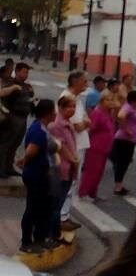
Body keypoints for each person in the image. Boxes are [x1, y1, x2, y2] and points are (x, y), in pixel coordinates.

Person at [19, 99, 57, 252]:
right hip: (35, 176)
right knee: (33, 208)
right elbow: (30, 151)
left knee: (43, 208)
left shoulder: (41, 128)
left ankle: (40, 239)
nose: (55, 113)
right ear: (48, 113)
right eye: (53, 111)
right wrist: (24, 160)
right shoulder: (38, 132)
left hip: (41, 176)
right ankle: (27, 242)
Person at [59, 70, 91, 231]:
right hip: (73, 146)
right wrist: (86, 122)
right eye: (84, 81)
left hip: (78, 144)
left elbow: (85, 119)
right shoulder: (68, 98)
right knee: (69, 182)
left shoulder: (77, 99)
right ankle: (62, 216)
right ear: (76, 81)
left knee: (73, 182)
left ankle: (65, 214)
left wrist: (85, 122)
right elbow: (79, 125)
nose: (87, 84)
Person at [48, 95, 80, 241]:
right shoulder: (56, 125)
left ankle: (54, 232)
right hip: (62, 168)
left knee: (59, 202)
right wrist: (72, 159)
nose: (72, 109)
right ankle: (53, 234)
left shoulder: (68, 123)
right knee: (56, 203)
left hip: (70, 167)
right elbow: (61, 146)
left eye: (74, 106)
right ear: (60, 108)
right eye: (69, 106)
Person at [79, 91, 117, 200]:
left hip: (105, 147)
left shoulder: (108, 113)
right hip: (96, 147)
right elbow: (91, 128)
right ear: (102, 101)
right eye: (108, 100)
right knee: (91, 171)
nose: (110, 102)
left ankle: (92, 192)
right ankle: (84, 192)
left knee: (99, 172)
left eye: (111, 100)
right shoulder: (97, 113)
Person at [0, 61, 34, 177]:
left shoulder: (26, 86)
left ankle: (9, 167)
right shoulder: (11, 84)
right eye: (24, 72)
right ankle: (1, 168)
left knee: (15, 144)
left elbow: (29, 100)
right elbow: (4, 99)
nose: (26, 74)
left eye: (27, 72)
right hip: (13, 117)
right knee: (6, 143)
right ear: (17, 72)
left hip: (23, 118)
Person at [110, 91, 136, 196]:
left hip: (130, 141)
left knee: (125, 162)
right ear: (135, 100)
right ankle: (118, 186)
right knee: (122, 163)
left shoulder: (134, 108)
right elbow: (120, 116)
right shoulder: (128, 107)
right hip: (124, 140)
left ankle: (119, 184)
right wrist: (126, 129)